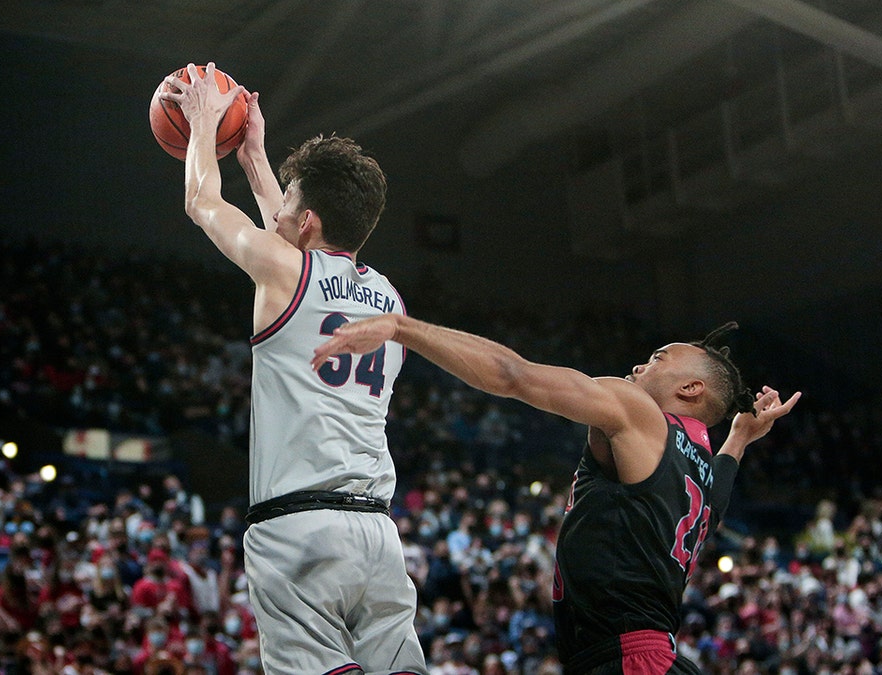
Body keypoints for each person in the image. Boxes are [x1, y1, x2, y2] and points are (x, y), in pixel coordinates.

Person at [313, 318, 800, 674]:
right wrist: (738, 439)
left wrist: (401, 328)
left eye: (658, 359)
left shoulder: (637, 412)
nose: (639, 364)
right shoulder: (697, 454)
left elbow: (512, 376)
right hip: (644, 656)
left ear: (691, 388)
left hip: (630, 660)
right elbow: (711, 515)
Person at [159, 63, 427, 674]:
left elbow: (202, 201)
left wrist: (202, 123)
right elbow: (300, 240)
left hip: (299, 527)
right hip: (378, 536)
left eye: (290, 206)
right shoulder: (391, 301)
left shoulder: (286, 272)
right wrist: (254, 155)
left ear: (306, 221)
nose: (275, 214)